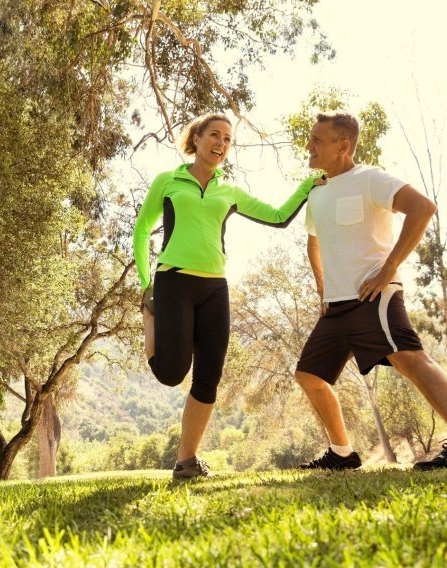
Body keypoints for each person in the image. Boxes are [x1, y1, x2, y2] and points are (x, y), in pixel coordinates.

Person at [294, 112, 447, 470]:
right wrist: (322, 288)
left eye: (317, 140)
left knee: (409, 357)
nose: (308, 146)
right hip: (336, 305)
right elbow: (314, 242)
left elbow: (422, 208)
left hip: (373, 296)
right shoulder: (317, 191)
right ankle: (342, 453)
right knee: (309, 375)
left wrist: (388, 269)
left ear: (343, 146)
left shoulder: (370, 178)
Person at [133, 113, 325, 479]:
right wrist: (146, 283)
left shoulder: (229, 191)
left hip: (214, 288)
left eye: (228, 140)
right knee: (171, 374)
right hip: (173, 281)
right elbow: (142, 230)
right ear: (198, 137)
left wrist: (308, 184)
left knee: (209, 375)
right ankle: (149, 321)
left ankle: (185, 461)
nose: (221, 144)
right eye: (214, 136)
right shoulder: (169, 181)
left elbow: (280, 216)